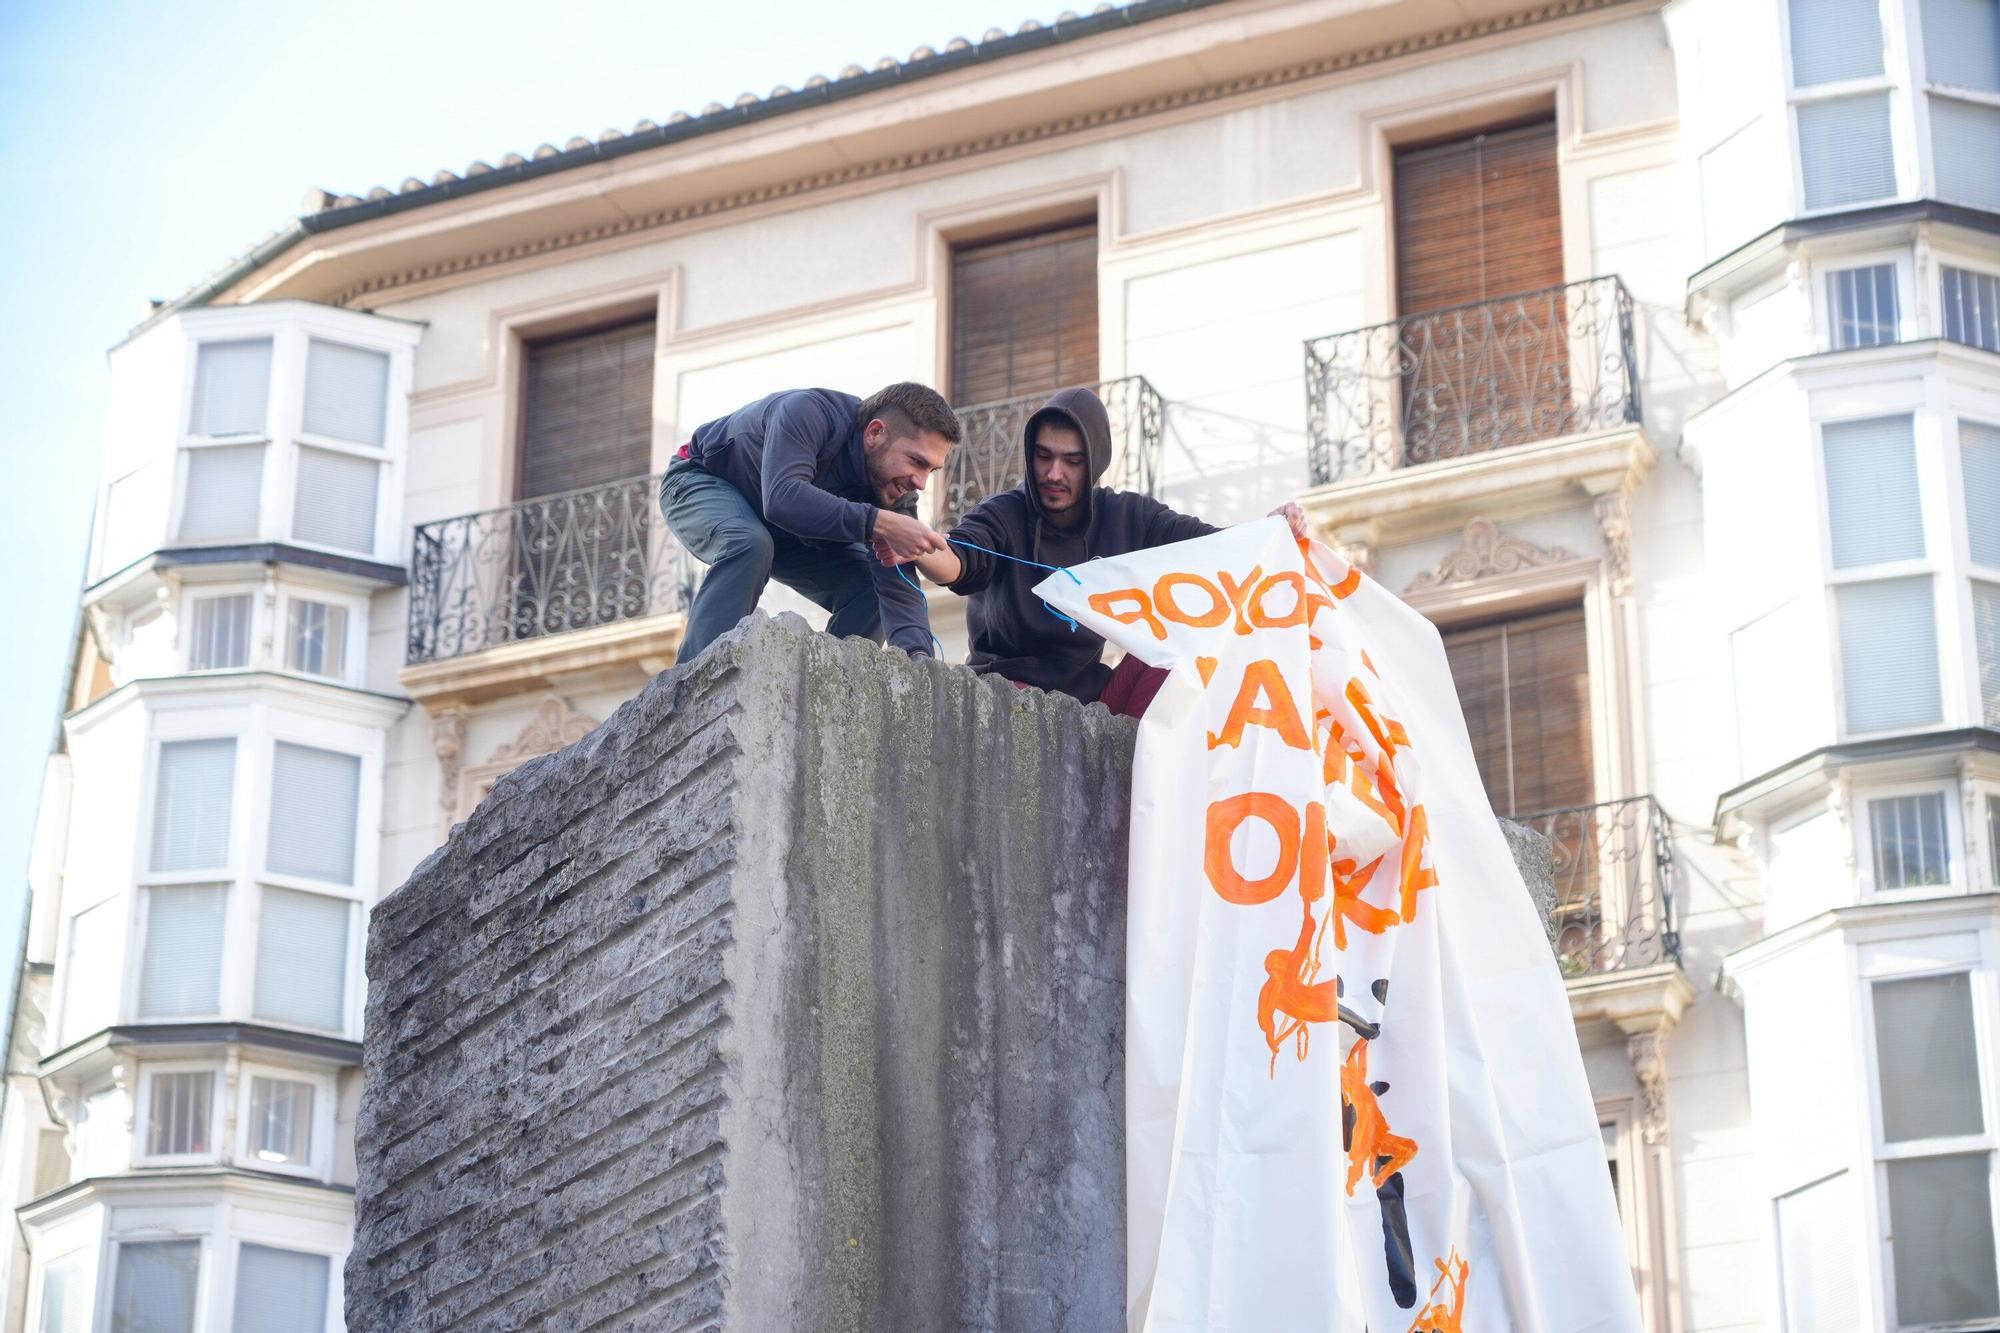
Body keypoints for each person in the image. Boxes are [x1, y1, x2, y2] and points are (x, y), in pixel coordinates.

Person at [883, 384, 1308, 714]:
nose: (1054, 473)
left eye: (1072, 461)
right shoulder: (1004, 514)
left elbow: (1212, 548)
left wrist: (1269, 529)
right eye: (1044, 457)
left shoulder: (1128, 516)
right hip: (1008, 693)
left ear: (1095, 461)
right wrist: (916, 547)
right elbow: (960, 560)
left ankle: (1152, 771)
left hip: (1094, 696)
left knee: (1183, 646)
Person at [661, 383, 957, 662]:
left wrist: (918, 657)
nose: (921, 482)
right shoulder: (808, 412)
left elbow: (898, 582)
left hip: (784, 530)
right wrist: (881, 522)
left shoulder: (896, 490)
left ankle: (832, 694)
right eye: (916, 461)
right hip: (702, 478)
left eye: (932, 469)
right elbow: (783, 498)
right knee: (747, 543)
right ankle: (700, 680)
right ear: (875, 433)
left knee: (870, 587)